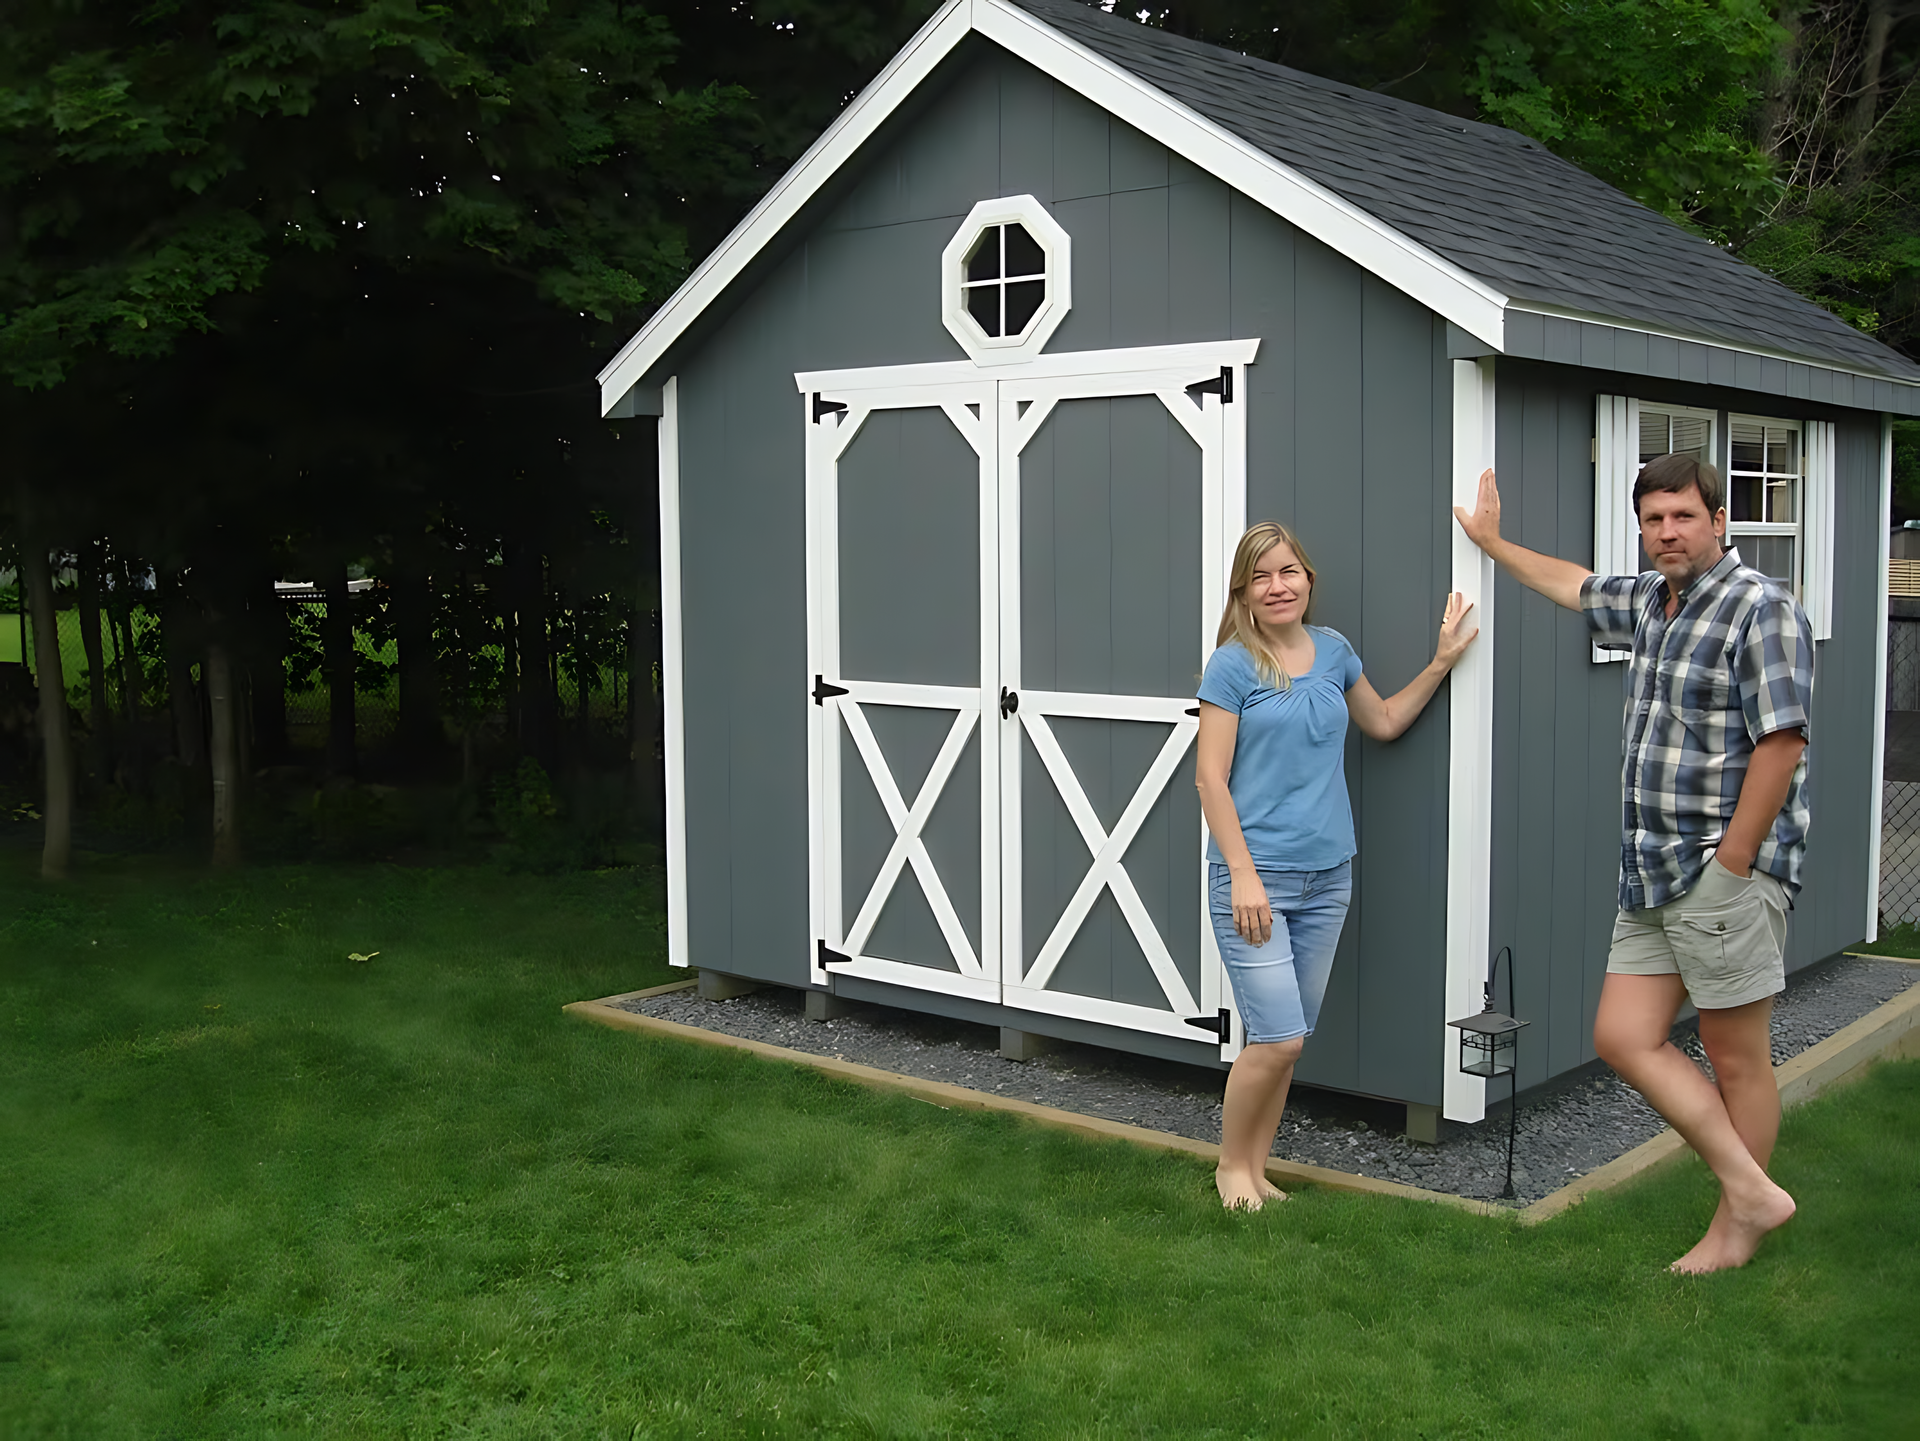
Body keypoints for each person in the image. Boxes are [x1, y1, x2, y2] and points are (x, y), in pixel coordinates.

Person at [1455, 457, 1810, 1273]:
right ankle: (1752, 1190)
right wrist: (1495, 543)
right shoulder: (1654, 602)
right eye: (1653, 519)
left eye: (1683, 516)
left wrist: (1734, 861)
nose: (1667, 532)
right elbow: (1576, 585)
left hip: (1722, 871)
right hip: (1650, 870)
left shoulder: (1759, 608)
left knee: (1733, 1052)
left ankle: (1737, 1223)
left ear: (1720, 520)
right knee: (1622, 1034)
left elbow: (1782, 740)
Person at [1196, 521, 1478, 1211]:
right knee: (1280, 1036)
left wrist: (1440, 662)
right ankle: (1231, 1165)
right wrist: (1243, 873)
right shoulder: (1232, 665)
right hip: (1254, 881)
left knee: (1283, 1041)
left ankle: (1258, 1168)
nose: (1278, 585)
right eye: (1261, 576)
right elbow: (1210, 778)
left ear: (1308, 579)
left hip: (1328, 877)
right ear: (1244, 591)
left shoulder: (1334, 652)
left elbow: (1380, 719)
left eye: (1288, 571)